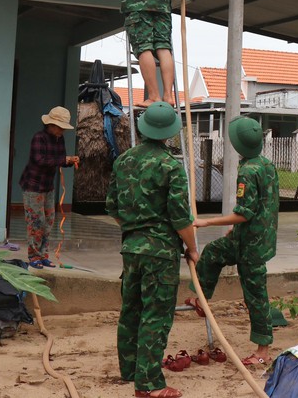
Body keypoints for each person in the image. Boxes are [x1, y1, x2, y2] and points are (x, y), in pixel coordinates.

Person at [107, 102, 198, 398]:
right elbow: (181, 218)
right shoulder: (170, 166)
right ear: (169, 134)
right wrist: (192, 248)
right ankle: (149, 384)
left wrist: (134, 227)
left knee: (131, 310)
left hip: (131, 249)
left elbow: (112, 206)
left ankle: (131, 370)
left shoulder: (123, 161)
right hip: (160, 253)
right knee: (156, 315)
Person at [185, 116, 279, 366]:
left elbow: (244, 213)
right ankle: (201, 300)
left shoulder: (248, 172)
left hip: (252, 246)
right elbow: (262, 206)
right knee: (214, 251)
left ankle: (263, 351)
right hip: (253, 237)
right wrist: (234, 231)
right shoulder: (266, 164)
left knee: (255, 295)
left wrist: (207, 222)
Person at [18, 106, 79, 269]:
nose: (62, 131)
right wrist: (63, 160)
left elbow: (60, 160)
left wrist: (70, 161)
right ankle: (33, 256)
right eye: (60, 128)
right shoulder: (39, 138)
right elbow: (40, 160)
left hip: (48, 187)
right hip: (33, 186)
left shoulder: (60, 139)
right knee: (36, 222)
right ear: (51, 125)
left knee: (49, 221)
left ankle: (43, 255)